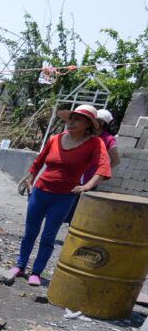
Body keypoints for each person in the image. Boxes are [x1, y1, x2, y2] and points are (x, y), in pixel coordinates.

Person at [10, 104, 112, 286]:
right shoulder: (55, 139)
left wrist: (87, 186)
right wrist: (30, 180)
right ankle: (20, 265)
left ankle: (36, 272)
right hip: (40, 192)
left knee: (49, 236)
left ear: (88, 124)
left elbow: (103, 167)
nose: (71, 122)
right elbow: (39, 161)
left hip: (64, 197)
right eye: (70, 118)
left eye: (77, 119)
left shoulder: (95, 143)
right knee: (30, 232)